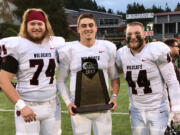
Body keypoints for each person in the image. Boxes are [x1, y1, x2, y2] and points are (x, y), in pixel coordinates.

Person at [0, 8, 65, 135]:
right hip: (27, 105)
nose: (36, 27)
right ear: (26, 25)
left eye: (40, 23)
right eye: (32, 24)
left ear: (46, 25)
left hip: (52, 105)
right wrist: (21, 106)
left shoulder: (56, 43)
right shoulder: (17, 45)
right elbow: (3, 81)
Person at [57, 13, 120, 135]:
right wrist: (68, 102)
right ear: (78, 29)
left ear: (96, 28)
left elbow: (115, 77)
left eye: (91, 25)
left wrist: (114, 97)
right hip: (79, 109)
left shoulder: (107, 47)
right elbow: (61, 80)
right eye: (84, 26)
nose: (88, 28)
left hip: (103, 107)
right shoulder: (69, 50)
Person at [116, 21, 180, 135]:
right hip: (136, 111)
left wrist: (176, 107)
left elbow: (172, 81)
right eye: (129, 34)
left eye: (137, 33)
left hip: (158, 110)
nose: (133, 37)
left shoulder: (156, 50)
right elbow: (117, 71)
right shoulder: (121, 54)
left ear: (144, 34)